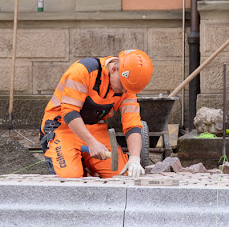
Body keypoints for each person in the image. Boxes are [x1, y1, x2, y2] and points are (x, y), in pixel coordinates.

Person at [39, 49, 153, 178]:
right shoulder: (83, 71)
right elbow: (69, 112)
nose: (124, 90)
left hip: (94, 128)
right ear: (114, 69)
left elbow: (132, 124)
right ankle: (82, 169)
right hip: (62, 126)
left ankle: (89, 170)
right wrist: (92, 143)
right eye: (122, 85)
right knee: (69, 178)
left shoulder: (127, 85)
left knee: (123, 175)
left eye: (128, 88)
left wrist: (134, 159)